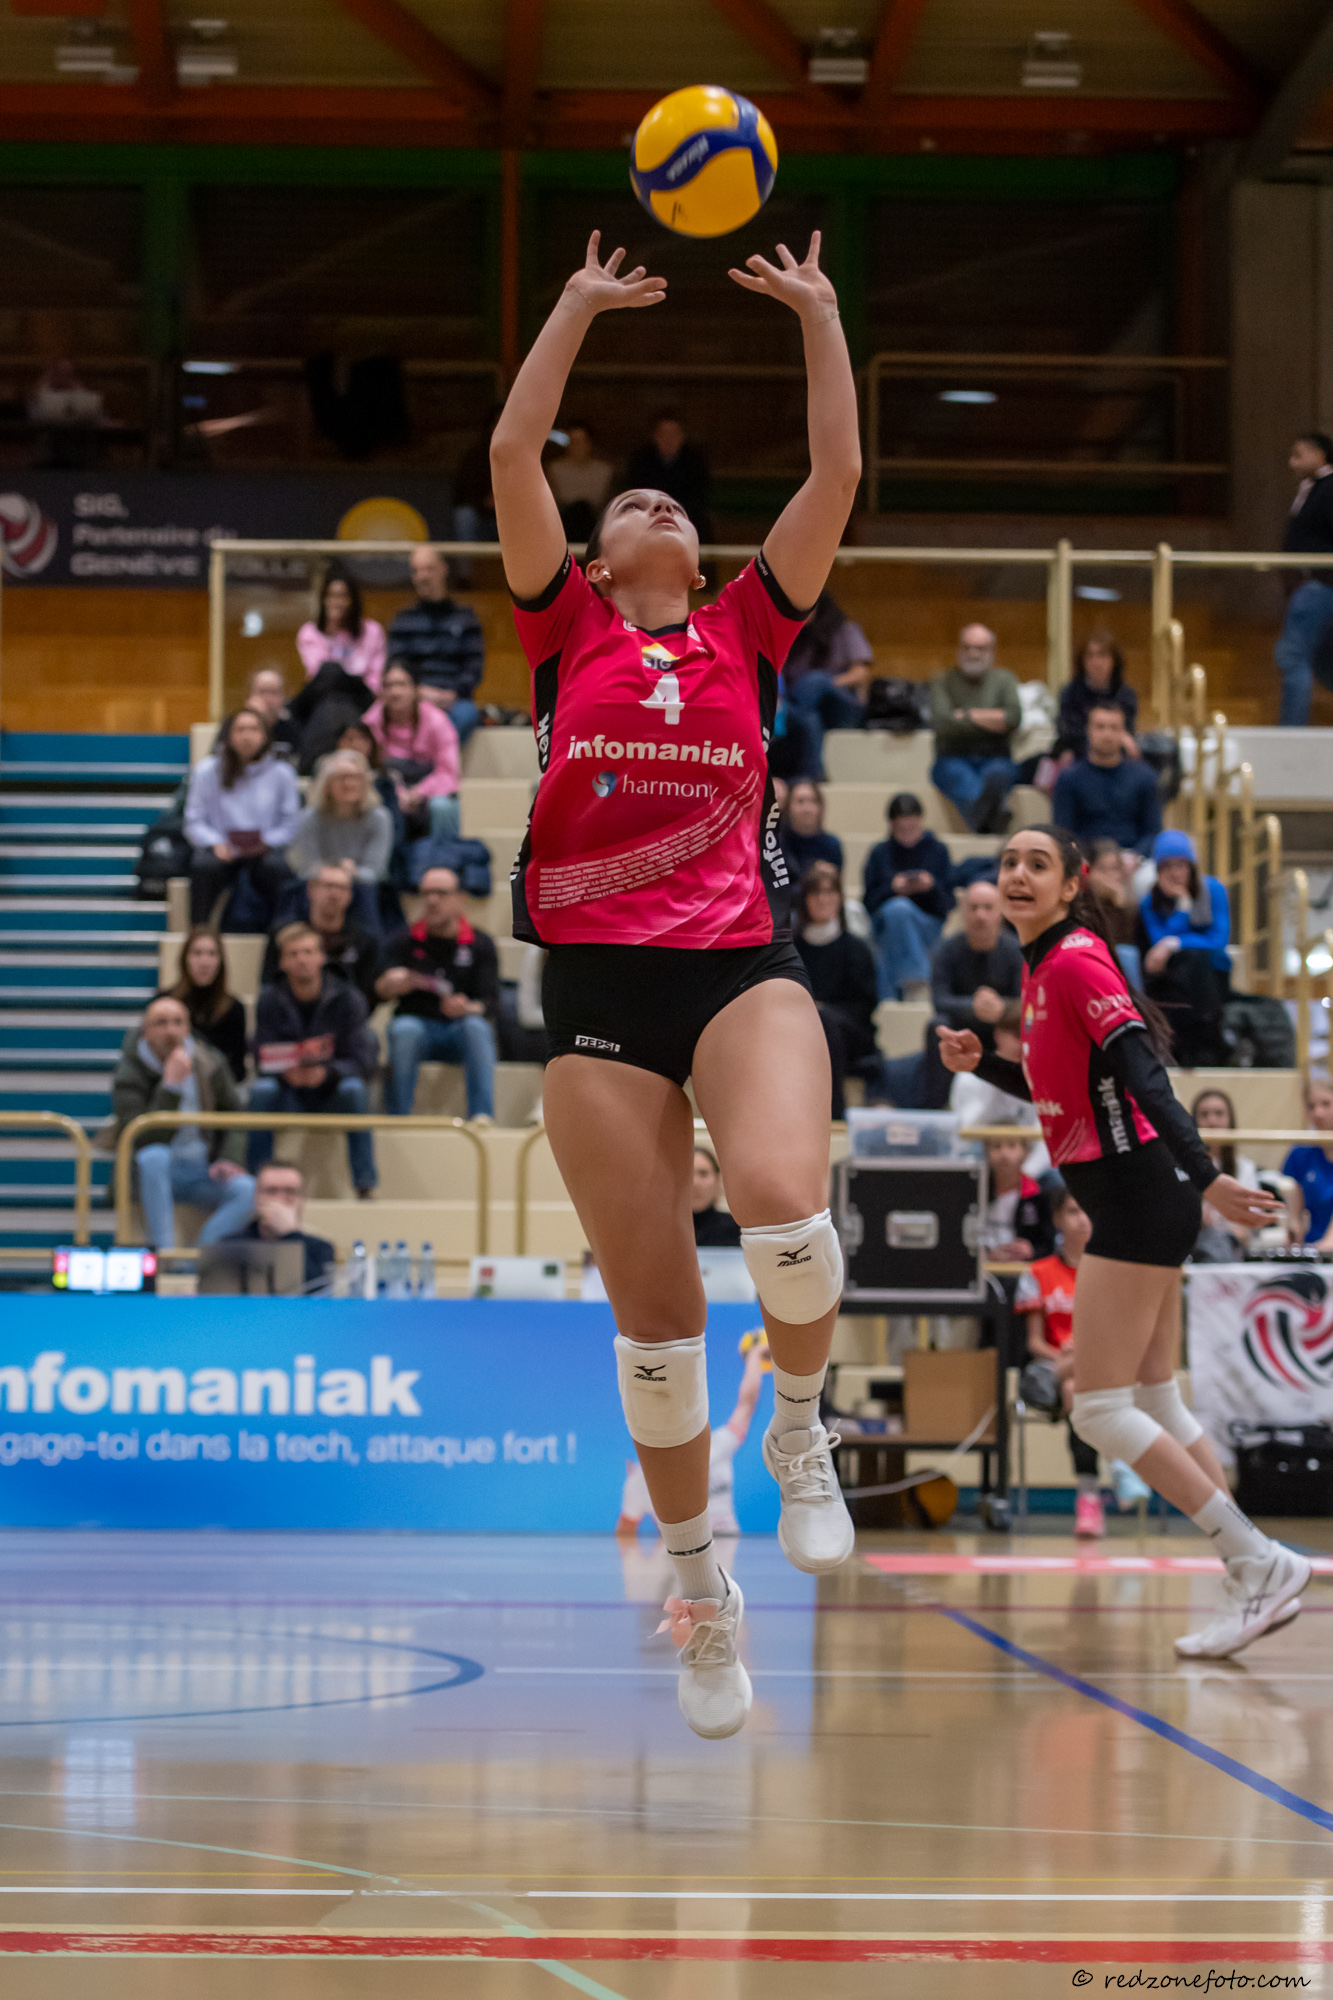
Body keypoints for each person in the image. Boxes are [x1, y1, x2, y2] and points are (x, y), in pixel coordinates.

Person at [490, 223, 862, 1739]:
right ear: (592, 559)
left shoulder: (746, 629)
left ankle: (803, 1429)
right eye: (626, 499)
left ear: (701, 560)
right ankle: (703, 1586)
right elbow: (512, 449)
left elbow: (835, 473)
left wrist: (817, 315)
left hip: (734, 963)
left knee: (784, 1207)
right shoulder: (562, 623)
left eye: (671, 501)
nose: (650, 500)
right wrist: (576, 304)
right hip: (597, 989)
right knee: (652, 1328)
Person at [938, 822, 1308, 1660]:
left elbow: (1143, 1072)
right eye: (1008, 862)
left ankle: (1257, 1561)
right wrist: (980, 1065)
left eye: (1038, 864)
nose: (1018, 874)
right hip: (1142, 1198)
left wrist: (1206, 1176)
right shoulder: (1040, 967)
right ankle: (1249, 1567)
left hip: (1141, 1198)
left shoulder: (1074, 961)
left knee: (1099, 1411)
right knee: (1156, 1402)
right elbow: (1056, 1085)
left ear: (1071, 886)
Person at [1014, 1184, 1152, 1539]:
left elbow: (1124, 1337)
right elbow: (1034, 1343)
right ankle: (1119, 1464)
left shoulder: (1113, 1271)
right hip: (1052, 1369)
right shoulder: (1038, 1272)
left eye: (1088, 1211)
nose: (1082, 1220)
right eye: (1073, 1211)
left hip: (1099, 1371)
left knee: (1079, 1389)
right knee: (1076, 1382)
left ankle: (1088, 1499)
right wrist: (1069, 1354)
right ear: (1058, 1218)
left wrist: (1088, 1352)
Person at [111, 992, 254, 1251]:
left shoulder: (209, 1062)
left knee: (248, 1189)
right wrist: (171, 1088)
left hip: (202, 1170)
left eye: (178, 1022)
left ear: (188, 1028)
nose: (171, 1031)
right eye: (162, 1023)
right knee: (154, 1157)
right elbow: (141, 1138)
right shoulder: (129, 1073)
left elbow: (235, 1112)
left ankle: (199, 1258)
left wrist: (229, 1158)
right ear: (146, 1031)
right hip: (150, 1175)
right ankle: (165, 1254)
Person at [248, 924, 378, 1197]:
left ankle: (365, 1185)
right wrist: (285, 1073)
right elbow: (261, 1057)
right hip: (288, 1091)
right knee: (260, 1091)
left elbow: (361, 1060)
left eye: (308, 952)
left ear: (321, 957)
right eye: (293, 954)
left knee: (355, 1091)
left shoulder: (349, 998)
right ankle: (255, 1182)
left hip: (332, 1091)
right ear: (282, 962)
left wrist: (327, 1074)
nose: (302, 959)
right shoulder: (269, 1000)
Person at [377, 866, 499, 1122]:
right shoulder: (403, 940)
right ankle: (397, 1118)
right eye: (426, 893)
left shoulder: (480, 943)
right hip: (417, 1026)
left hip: (459, 1029)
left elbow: (491, 1003)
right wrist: (389, 985)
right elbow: (377, 992)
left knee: (477, 1028)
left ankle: (482, 1117)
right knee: (405, 1029)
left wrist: (467, 1007)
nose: (432, 901)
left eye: (441, 893)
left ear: (461, 898)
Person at [616, 1337, 768, 1538]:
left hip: (726, 1542)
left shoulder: (718, 1444)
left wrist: (755, 1355)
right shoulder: (644, 1475)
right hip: (679, 1551)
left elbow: (747, 1404)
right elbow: (626, 1531)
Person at [184, 708, 300, 929]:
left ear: (264, 735)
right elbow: (194, 821)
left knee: (279, 869)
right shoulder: (207, 771)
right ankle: (199, 933)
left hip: (265, 849)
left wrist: (267, 841)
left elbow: (291, 824)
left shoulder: (282, 773)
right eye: (240, 729)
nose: (247, 736)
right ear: (228, 735)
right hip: (221, 848)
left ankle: (282, 934)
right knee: (203, 866)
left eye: (254, 729)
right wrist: (215, 842)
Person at [1136, 830, 1231, 1068]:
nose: (1175, 872)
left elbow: (1218, 940)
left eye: (1181, 865)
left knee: (1194, 959)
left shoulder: (1213, 890)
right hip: (1173, 978)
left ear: (1191, 867)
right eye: (1167, 866)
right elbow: (1158, 942)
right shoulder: (1150, 901)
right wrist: (1181, 909)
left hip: (1210, 974)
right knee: (1184, 964)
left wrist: (1175, 942)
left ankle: (1198, 1042)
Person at [793, 862, 880, 1121]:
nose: (823, 899)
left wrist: (823, 1011)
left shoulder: (856, 949)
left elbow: (865, 1006)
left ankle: (834, 1115)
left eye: (830, 892)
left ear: (839, 898)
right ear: (805, 899)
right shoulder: (790, 949)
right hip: (798, 1026)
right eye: (816, 892)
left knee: (825, 1022)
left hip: (850, 1032)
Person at [927, 624, 1022, 832]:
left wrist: (966, 714)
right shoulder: (943, 680)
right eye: (967, 647)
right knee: (959, 777)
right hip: (952, 758)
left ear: (992, 651)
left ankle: (982, 819)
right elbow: (943, 723)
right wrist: (993, 719)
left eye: (980, 648)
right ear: (958, 649)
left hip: (996, 758)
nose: (973, 653)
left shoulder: (1004, 679)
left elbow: (1013, 719)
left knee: (999, 775)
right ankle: (991, 818)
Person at [386, 547, 485, 742]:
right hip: (414, 697)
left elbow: (474, 666)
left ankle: (427, 759)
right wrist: (417, 691)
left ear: (443, 570)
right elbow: (395, 665)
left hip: (455, 700)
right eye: (416, 571)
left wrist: (452, 694)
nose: (422, 576)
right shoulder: (403, 621)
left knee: (467, 715)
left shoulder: (466, 619)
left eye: (429, 569)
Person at [862, 791, 953, 1002]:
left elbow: (947, 905)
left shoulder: (937, 851)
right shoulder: (880, 854)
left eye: (912, 827)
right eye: (902, 829)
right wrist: (892, 889)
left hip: (927, 925)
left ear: (920, 822)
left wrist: (930, 887)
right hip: (886, 922)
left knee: (897, 925)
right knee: (898, 911)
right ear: (892, 825)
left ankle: (891, 994)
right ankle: (916, 981)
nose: (908, 834)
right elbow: (868, 902)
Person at [286, 749, 392, 931]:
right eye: (341, 777)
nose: (349, 783)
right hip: (319, 880)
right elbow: (304, 865)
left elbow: (376, 869)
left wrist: (349, 874)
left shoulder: (379, 818)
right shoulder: (309, 818)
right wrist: (334, 874)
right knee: (298, 890)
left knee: (364, 892)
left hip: (359, 883)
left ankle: (367, 945)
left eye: (355, 777)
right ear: (326, 783)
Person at [365, 661, 462, 843]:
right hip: (389, 790)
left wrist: (418, 793)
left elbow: (448, 772)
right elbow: (367, 767)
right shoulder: (371, 721)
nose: (395, 692)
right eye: (388, 686)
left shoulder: (437, 720)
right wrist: (397, 793)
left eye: (401, 684)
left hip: (429, 791)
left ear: (416, 689)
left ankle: (444, 856)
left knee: (444, 806)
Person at [261, 863, 381, 1009]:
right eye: (328, 886)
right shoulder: (284, 934)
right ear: (310, 889)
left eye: (342, 888)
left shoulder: (364, 939)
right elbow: (268, 981)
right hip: (288, 1012)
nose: (335, 894)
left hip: (346, 1013)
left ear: (351, 895)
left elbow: (369, 992)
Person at [1274, 431, 1333, 727]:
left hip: (1320, 583)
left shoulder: (1329, 488)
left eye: (1299, 455)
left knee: (1294, 654)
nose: (1292, 462)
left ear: (1319, 455)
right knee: (1323, 664)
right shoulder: (1313, 488)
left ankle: (1291, 733)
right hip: (1312, 583)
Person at [1051, 701, 1161, 857]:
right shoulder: (1069, 778)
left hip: (1134, 858)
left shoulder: (1145, 776)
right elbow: (1063, 833)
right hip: (1086, 859)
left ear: (1124, 733)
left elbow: (1153, 832)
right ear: (1088, 730)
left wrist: (1134, 857)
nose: (1107, 735)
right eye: (1100, 727)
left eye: (1114, 728)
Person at [780, 593, 872, 776]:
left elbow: (861, 674)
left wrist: (825, 683)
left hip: (844, 708)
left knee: (813, 681)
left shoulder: (845, 630)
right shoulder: (791, 637)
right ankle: (812, 775)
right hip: (807, 708)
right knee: (807, 719)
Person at [221, 1160, 336, 1294]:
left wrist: (290, 1234)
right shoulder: (230, 1246)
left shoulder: (320, 1249)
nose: (280, 1199)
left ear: (302, 1199)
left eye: (290, 1191)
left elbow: (316, 1295)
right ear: (257, 1198)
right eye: (271, 1191)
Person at [170, 925, 247, 1083]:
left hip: (219, 1088)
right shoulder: (166, 1004)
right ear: (185, 959)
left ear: (220, 961)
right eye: (197, 953)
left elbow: (238, 1069)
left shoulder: (234, 1008)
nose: (204, 962)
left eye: (212, 954)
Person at [296, 560, 386, 694]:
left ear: (353, 600)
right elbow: (318, 674)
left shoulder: (372, 631)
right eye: (331, 596)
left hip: (364, 698)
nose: (337, 603)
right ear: (323, 599)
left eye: (343, 596)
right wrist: (332, 629)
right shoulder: (309, 633)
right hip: (326, 698)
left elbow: (376, 678)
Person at [624, 411, 712, 538]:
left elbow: (699, 496)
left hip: (686, 517)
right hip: (648, 517)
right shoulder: (641, 461)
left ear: (682, 436)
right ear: (655, 436)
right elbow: (636, 495)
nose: (669, 440)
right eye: (664, 434)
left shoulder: (695, 461)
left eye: (674, 434)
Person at [1054, 632, 1139, 761]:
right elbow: (1068, 734)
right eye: (1090, 656)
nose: (1096, 662)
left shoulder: (1126, 695)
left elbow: (1129, 732)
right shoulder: (1070, 693)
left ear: (1114, 660)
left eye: (1102, 655)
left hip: (1116, 756)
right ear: (1082, 661)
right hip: (1079, 755)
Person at [981, 1129, 1055, 1263]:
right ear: (986, 1152)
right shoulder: (976, 1191)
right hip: (983, 1266)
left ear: (1026, 1153)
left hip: (1022, 1269)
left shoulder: (1038, 1195)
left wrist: (1032, 1250)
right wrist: (984, 1254)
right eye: (997, 1146)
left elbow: (1049, 1243)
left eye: (1012, 1146)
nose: (1004, 1154)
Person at [1283, 1074, 1333, 1248]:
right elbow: (1295, 1215)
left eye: (1326, 1104)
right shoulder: (1300, 1153)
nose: (1318, 1113)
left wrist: (1322, 1249)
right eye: (1311, 1106)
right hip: (1313, 1247)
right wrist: (1293, 1228)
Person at [547, 420, 614, 541]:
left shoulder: (604, 470)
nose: (577, 447)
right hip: (563, 526)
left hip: (594, 526)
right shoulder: (555, 469)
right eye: (573, 442)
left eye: (581, 442)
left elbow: (602, 505)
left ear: (590, 443)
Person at [777, 779, 843, 884]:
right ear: (788, 806)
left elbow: (835, 888)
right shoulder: (777, 842)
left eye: (813, 801)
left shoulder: (832, 845)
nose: (807, 809)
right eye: (800, 801)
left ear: (821, 807)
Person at [245, 667, 301, 762]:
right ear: (251, 695)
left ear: (283, 697)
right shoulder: (236, 726)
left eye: (273, 692)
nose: (268, 699)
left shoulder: (292, 727)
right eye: (262, 692)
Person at [692, 1145, 742, 1248]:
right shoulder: (662, 1231)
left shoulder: (739, 1230)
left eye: (703, 1173)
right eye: (687, 1174)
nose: (695, 1182)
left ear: (717, 1179)